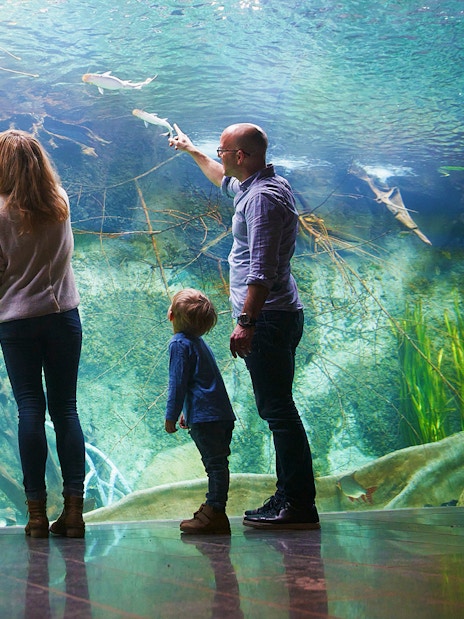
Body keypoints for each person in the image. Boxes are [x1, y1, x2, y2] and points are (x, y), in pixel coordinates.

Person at [169, 123, 320, 530]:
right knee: (277, 409)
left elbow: (263, 268)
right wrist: (191, 150)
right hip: (273, 316)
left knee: (278, 412)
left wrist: (247, 322)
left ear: (241, 155)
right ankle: (291, 495)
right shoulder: (254, 187)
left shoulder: (264, 200)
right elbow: (221, 179)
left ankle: (298, 502)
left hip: (269, 318)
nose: (218, 156)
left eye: (222, 150)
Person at [0, 129, 85, 538]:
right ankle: (73, 512)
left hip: (16, 321)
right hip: (63, 317)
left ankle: (35, 514)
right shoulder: (61, 203)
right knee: (65, 409)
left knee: (29, 409)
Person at [165, 288, 236, 534]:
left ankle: (215, 511)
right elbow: (202, 382)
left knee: (214, 466)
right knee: (218, 464)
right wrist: (189, 411)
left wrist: (171, 416)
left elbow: (178, 383)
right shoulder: (198, 343)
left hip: (207, 418)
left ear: (171, 315)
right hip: (220, 414)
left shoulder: (178, 344)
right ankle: (214, 508)